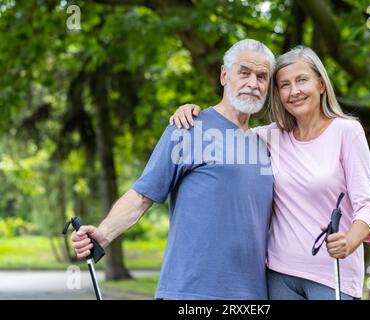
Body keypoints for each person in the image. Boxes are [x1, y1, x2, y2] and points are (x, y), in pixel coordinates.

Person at [169, 45, 370, 300]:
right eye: (284, 85)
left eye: (302, 80)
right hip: (279, 275)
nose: (294, 91)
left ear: (321, 84)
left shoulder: (347, 132)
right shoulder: (268, 137)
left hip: (332, 274)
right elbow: (226, 128)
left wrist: (349, 241)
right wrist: (194, 114)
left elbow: (369, 206)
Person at [70, 39, 276, 300]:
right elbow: (142, 195)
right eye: (244, 72)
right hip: (189, 292)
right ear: (224, 75)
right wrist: (103, 234)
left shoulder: (267, 143)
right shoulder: (188, 128)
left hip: (253, 296)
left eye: (262, 76)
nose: (253, 83)